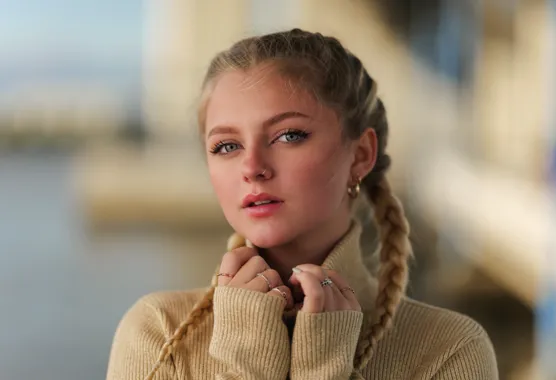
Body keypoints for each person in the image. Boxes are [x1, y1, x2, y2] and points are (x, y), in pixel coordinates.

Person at [106, 29, 498, 380]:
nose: (253, 168)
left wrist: (323, 368)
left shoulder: (449, 349)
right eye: (227, 145)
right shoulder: (157, 334)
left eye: (289, 136)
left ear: (360, 154)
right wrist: (247, 365)